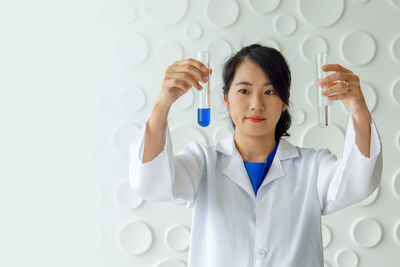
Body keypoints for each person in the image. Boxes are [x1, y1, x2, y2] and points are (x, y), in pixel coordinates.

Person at [129, 44, 383, 267]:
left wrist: (359, 109)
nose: (256, 104)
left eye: (270, 92)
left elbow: (359, 182)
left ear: (285, 101)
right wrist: (162, 104)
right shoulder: (203, 163)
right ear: (225, 98)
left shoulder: (312, 167)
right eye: (243, 91)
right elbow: (151, 183)